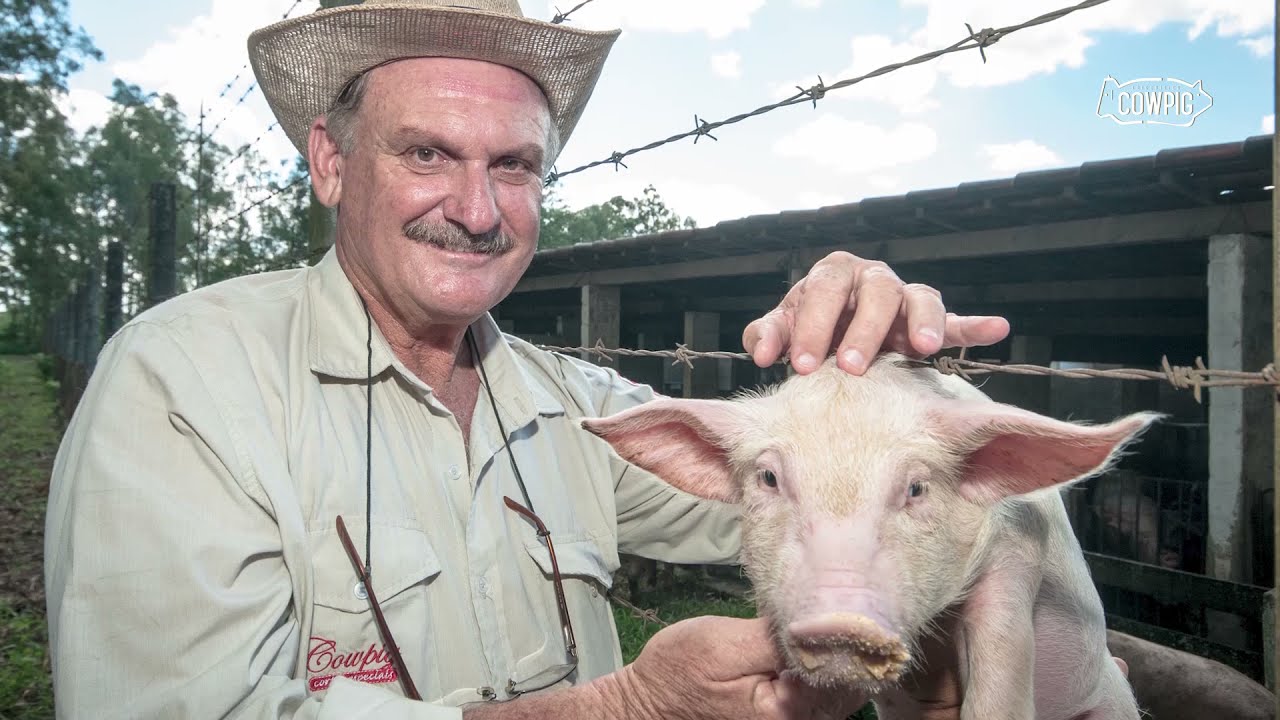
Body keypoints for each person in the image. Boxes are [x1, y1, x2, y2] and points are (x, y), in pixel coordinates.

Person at [43, 1, 1016, 718]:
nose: (476, 210)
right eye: (426, 153)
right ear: (329, 164)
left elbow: (819, 502)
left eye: (512, 165)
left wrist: (879, 382)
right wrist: (622, 710)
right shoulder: (185, 385)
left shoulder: (579, 411)